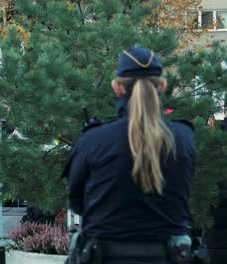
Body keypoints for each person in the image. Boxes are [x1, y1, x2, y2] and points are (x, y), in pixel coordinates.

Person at [64, 48, 196, 263]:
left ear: (116, 87)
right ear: (162, 86)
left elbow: (77, 201)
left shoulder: (94, 140)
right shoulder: (183, 138)